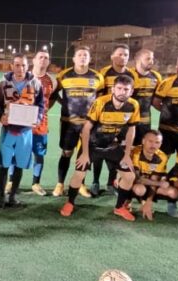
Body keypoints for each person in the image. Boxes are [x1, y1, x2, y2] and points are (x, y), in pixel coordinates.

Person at [59, 75, 139, 217]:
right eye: (119, 88)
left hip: (111, 145)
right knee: (79, 174)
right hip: (92, 145)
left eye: (126, 89)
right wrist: (84, 154)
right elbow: (86, 128)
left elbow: (131, 130)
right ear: (113, 89)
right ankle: (70, 202)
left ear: (131, 91)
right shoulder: (101, 102)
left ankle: (119, 207)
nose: (122, 92)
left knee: (130, 176)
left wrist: (127, 155)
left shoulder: (133, 105)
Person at [0, 54, 45, 208]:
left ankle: (13, 196)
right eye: (17, 65)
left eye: (23, 65)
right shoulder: (3, 83)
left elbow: (41, 104)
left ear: (27, 66)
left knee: (20, 164)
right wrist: (0, 117)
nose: (20, 68)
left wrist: (38, 117)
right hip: (8, 130)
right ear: (12, 66)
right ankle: (2, 196)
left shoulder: (35, 83)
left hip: (25, 131)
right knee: (4, 164)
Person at [51, 47, 104, 197]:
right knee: (66, 152)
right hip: (69, 122)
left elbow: (100, 99)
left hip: (89, 124)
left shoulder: (97, 77)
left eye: (85, 55)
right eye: (79, 55)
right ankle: (60, 184)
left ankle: (81, 184)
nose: (82, 57)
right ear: (73, 59)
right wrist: (64, 104)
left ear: (89, 58)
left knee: (84, 154)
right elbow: (54, 93)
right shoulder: (63, 75)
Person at [92, 44, 135, 194]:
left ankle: (111, 183)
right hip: (103, 120)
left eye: (126, 55)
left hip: (121, 121)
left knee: (116, 150)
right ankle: (95, 182)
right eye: (120, 54)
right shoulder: (103, 73)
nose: (123, 57)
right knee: (99, 151)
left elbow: (130, 98)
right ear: (112, 56)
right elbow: (98, 96)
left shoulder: (131, 74)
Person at [118, 130, 169, 221]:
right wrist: (159, 184)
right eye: (150, 141)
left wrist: (149, 202)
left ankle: (144, 202)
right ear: (143, 141)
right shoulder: (135, 152)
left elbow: (155, 179)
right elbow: (137, 179)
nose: (153, 145)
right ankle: (126, 201)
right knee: (139, 189)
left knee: (170, 191)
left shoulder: (162, 157)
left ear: (160, 144)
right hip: (129, 182)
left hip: (147, 183)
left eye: (157, 142)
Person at [24, 51, 56, 196]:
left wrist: (44, 111)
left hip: (41, 122)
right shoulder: (24, 77)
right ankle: (11, 181)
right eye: (40, 57)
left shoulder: (52, 81)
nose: (43, 60)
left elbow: (52, 98)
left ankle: (36, 183)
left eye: (46, 58)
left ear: (48, 62)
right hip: (22, 121)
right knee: (16, 151)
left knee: (39, 153)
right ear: (34, 60)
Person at [130, 49, 161, 146]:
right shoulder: (128, 75)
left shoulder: (156, 77)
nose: (151, 61)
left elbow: (156, 100)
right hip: (128, 122)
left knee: (142, 150)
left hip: (145, 122)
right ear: (138, 59)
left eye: (152, 59)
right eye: (148, 59)